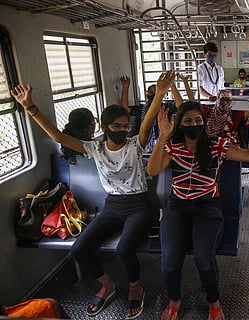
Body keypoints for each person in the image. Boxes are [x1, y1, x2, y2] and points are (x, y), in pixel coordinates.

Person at [11, 71, 176, 320]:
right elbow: (58, 136)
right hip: (112, 206)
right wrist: (30, 107)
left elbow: (147, 124)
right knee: (79, 249)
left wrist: (160, 94)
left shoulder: (135, 144)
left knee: (124, 250)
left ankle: (135, 287)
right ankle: (107, 284)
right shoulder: (94, 147)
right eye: (116, 126)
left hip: (140, 205)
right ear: (103, 127)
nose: (123, 130)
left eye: (125, 126)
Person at [146, 101, 249, 320]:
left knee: (204, 258)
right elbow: (153, 169)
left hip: (207, 206)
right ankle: (174, 299)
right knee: (170, 261)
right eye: (188, 121)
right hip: (177, 207)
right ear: (180, 125)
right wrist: (164, 135)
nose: (194, 124)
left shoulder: (216, 145)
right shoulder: (171, 146)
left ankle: (214, 300)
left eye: (198, 120)